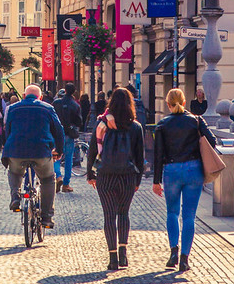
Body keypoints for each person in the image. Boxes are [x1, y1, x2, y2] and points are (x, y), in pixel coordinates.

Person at [153, 87, 216, 272]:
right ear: (184, 102)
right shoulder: (196, 120)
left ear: (167, 104)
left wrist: (156, 181)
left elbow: (158, 155)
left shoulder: (163, 124)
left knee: (172, 213)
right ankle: (184, 258)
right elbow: (212, 141)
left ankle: (173, 251)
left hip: (171, 171)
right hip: (193, 170)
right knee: (189, 216)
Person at [87, 88, 144, 270]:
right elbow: (139, 156)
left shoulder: (101, 125)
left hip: (106, 175)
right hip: (127, 175)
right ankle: (123, 255)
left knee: (109, 216)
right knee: (123, 214)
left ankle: (112, 257)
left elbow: (92, 151)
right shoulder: (136, 127)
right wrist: (138, 180)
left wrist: (90, 173)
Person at [2, 84, 64, 229]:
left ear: (24, 96)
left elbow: (7, 130)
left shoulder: (12, 108)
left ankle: (15, 198)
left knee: (15, 172)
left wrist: (8, 147)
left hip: (16, 151)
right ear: (40, 97)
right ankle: (47, 217)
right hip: (41, 151)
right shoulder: (47, 108)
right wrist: (59, 150)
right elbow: (59, 130)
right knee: (48, 180)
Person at [53, 83, 83, 193]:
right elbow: (79, 122)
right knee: (69, 159)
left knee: (56, 156)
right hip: (69, 134)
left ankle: (58, 176)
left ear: (65, 90)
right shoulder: (75, 105)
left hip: (56, 134)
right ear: (73, 91)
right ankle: (66, 184)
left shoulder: (56, 103)